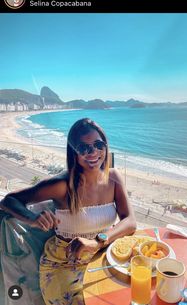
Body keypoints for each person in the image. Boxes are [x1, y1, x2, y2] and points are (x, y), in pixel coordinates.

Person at [0, 118, 137, 305]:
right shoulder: (62, 185)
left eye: (98, 145)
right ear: (74, 152)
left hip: (102, 254)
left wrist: (97, 242)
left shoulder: (113, 178)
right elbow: (9, 200)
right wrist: (32, 219)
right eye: (84, 148)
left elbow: (130, 221)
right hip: (63, 263)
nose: (93, 152)